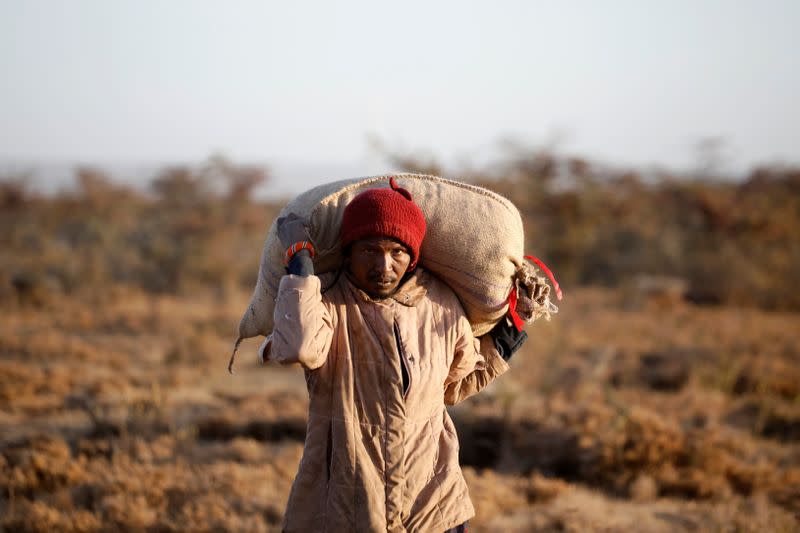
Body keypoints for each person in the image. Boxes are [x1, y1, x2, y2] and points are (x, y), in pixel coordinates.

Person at [261, 178, 527, 532]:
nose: (384, 265)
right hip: (346, 505)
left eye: (397, 252)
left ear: (412, 258)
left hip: (432, 504)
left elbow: (450, 389)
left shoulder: (440, 305)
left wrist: (500, 349)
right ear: (349, 252)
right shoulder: (327, 303)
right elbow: (299, 347)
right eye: (370, 250)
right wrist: (301, 268)